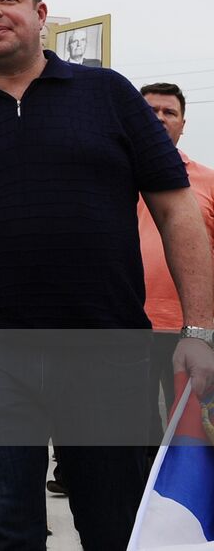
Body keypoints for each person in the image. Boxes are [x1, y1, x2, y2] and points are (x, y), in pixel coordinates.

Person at [0, 0, 214, 549]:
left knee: (112, 522)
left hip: (106, 347)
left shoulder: (109, 95)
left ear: (39, 15)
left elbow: (177, 210)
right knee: (5, 527)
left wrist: (199, 328)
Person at [135, 82, 214, 439]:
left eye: (169, 113)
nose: (160, 119)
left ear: (183, 124)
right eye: (150, 112)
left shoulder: (207, 181)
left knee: (190, 434)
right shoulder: (114, 178)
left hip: (191, 331)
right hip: (127, 328)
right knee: (132, 434)